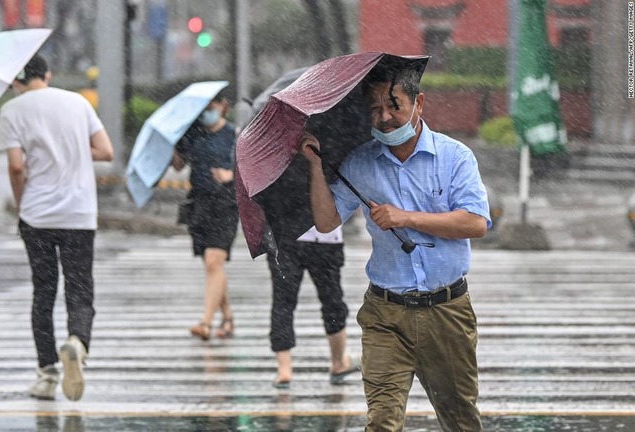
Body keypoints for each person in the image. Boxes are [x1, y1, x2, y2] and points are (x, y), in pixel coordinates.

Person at [300, 57, 490, 431]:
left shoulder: (454, 158)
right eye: (375, 108)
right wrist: (314, 167)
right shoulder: (360, 163)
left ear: (419, 103)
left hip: (447, 312)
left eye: (393, 105)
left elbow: (475, 222)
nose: (384, 116)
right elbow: (325, 221)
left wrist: (405, 217)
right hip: (386, 314)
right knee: (382, 421)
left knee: (460, 419)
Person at [0, 54, 114, 401]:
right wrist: (72, 149)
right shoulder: (76, 102)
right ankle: (78, 340)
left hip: (37, 215)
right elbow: (105, 150)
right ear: (46, 74)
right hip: (78, 213)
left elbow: (17, 168)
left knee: (43, 292)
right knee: (80, 288)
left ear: (17, 82)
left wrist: (21, 204)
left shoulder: (12, 111)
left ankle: (47, 374)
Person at [256, 156, 359, 389]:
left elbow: (260, 198)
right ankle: (338, 361)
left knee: (283, 302)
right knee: (331, 299)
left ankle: (284, 369)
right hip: (324, 237)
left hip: (284, 239)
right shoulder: (328, 146)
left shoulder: (271, 155)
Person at [171, 93, 239, 341]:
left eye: (212, 107)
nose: (207, 112)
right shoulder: (192, 133)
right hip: (198, 204)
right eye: (204, 108)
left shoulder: (235, 135)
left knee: (214, 262)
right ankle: (228, 316)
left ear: (223, 106)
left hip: (226, 203)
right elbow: (179, 165)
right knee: (212, 267)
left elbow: (249, 170)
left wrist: (231, 176)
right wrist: (173, 141)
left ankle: (206, 323)